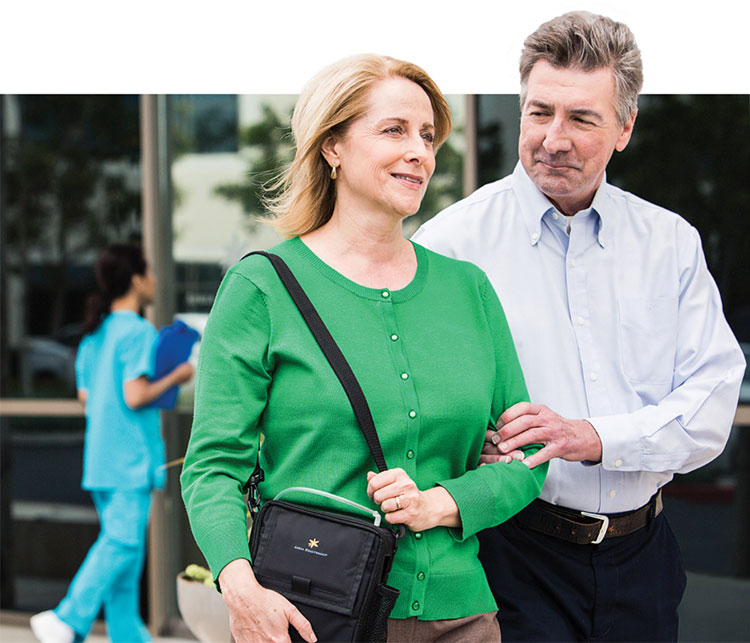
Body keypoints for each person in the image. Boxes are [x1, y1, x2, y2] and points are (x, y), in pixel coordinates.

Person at [180, 54, 547, 643]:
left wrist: (441, 503)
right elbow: (213, 468)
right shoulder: (262, 288)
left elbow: (527, 458)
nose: (420, 152)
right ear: (332, 147)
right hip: (311, 617)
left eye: (427, 136)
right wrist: (241, 588)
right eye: (394, 130)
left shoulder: (468, 290)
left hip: (462, 618)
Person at [413, 10, 747, 642]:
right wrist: (463, 444)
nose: (554, 138)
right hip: (509, 555)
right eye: (540, 113)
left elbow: (709, 402)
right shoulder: (449, 246)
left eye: (582, 118)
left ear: (625, 127)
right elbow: (412, 404)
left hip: (644, 559)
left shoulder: (670, 243)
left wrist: (590, 436)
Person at [31, 244, 194, 643]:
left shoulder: (94, 334)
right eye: (150, 272)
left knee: (125, 570)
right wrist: (180, 374)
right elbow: (135, 395)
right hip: (129, 462)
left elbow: (87, 397)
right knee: (122, 543)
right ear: (137, 279)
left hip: (102, 460)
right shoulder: (138, 331)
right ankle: (68, 619)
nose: (155, 279)